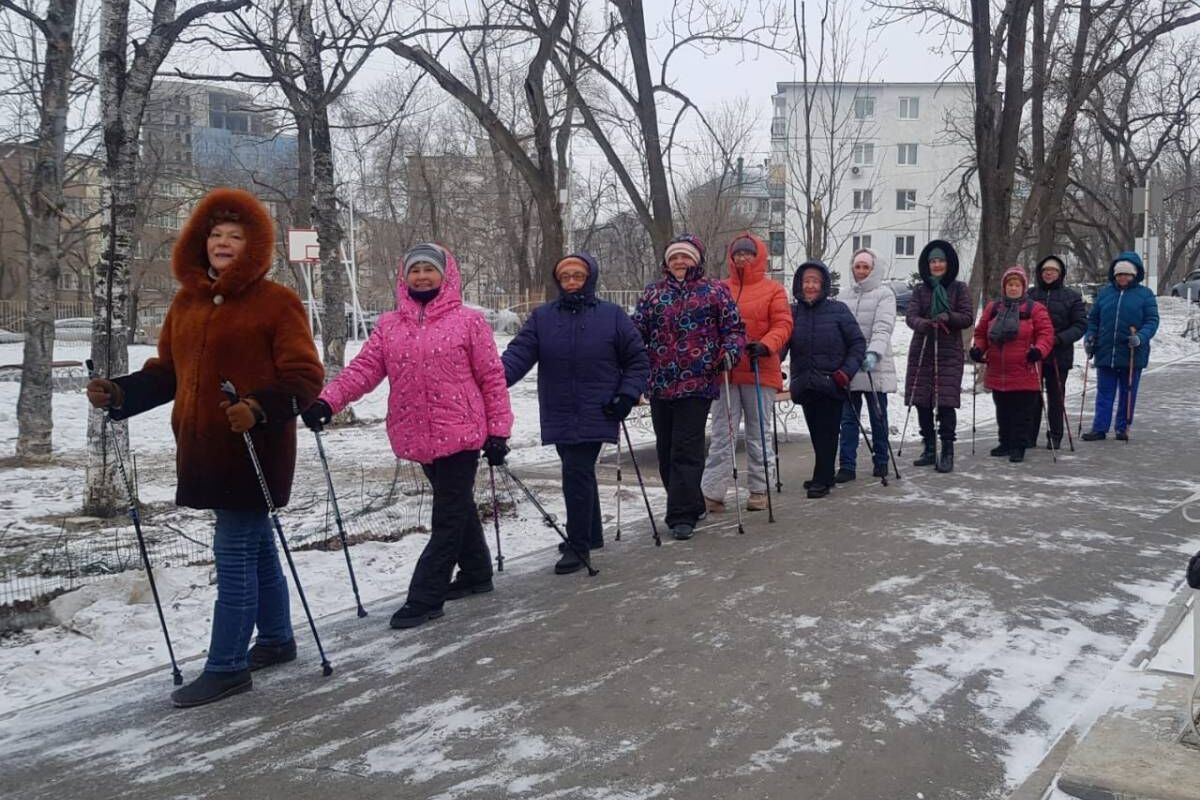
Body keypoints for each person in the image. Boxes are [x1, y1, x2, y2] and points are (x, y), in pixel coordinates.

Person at [85, 188, 324, 708]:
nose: (223, 243)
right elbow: (168, 373)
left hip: (253, 450)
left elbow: (306, 377)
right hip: (200, 448)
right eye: (215, 234)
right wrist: (122, 392)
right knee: (256, 545)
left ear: (253, 247)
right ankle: (278, 640)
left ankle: (227, 666)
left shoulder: (277, 302)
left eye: (235, 236)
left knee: (234, 553)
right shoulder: (186, 303)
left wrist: (258, 407)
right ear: (199, 241)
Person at [302, 243, 513, 628]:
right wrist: (327, 403)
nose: (421, 276)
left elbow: (491, 378)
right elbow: (363, 370)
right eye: (414, 270)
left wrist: (498, 431)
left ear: (446, 276)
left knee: (447, 516)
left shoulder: (469, 322)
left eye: (429, 270)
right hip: (417, 433)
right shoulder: (389, 326)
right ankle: (477, 574)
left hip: (462, 432)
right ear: (404, 277)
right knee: (458, 505)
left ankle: (426, 596)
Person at [501, 252, 649, 574]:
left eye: (577, 276)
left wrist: (626, 395)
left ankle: (578, 545)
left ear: (590, 278)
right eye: (565, 276)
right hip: (558, 407)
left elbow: (638, 360)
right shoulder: (543, 318)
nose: (571, 282)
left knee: (576, 470)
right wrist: (491, 379)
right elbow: (517, 356)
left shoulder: (612, 316)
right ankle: (592, 534)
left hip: (599, 407)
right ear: (558, 281)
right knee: (576, 466)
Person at [632, 233, 745, 540]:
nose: (679, 262)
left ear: (696, 259)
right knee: (666, 449)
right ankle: (691, 502)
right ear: (667, 262)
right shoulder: (653, 293)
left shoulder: (714, 291)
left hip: (698, 381)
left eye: (685, 256)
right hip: (660, 382)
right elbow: (636, 333)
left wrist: (729, 352)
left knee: (686, 448)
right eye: (674, 257)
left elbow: (734, 329)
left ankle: (681, 515)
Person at [701, 233, 792, 513]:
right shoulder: (719, 288)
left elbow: (783, 323)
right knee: (722, 434)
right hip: (726, 373)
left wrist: (766, 345)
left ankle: (760, 488)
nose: (743, 257)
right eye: (738, 253)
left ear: (758, 256)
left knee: (758, 433)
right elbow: (708, 326)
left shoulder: (773, 289)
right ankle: (713, 491)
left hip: (758, 369)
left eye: (748, 253)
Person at [787, 260, 866, 498]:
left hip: (832, 381)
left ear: (823, 285)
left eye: (815, 281)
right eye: (806, 281)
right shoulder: (793, 312)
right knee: (815, 431)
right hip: (805, 381)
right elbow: (782, 343)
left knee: (829, 431)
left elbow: (858, 343)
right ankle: (824, 473)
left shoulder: (838, 310)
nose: (810, 286)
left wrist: (845, 373)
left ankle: (822, 479)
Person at [969, 267, 1055, 463]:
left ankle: (1019, 445)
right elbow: (981, 333)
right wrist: (978, 349)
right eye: (1010, 285)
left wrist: (1039, 350)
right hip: (999, 370)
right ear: (1004, 287)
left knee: (1022, 412)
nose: (1013, 288)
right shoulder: (993, 308)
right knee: (1003, 409)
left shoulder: (1035, 309)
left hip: (1025, 368)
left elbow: (1046, 334)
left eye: (1017, 285)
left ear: (1023, 287)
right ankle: (1005, 442)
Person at [904, 239, 974, 473]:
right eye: (933, 261)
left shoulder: (959, 288)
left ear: (948, 263)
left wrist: (948, 317)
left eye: (940, 261)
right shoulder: (920, 289)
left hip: (948, 352)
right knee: (922, 401)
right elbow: (911, 316)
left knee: (945, 402)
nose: (936, 265)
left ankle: (948, 450)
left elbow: (966, 317)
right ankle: (929, 447)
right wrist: (924, 323)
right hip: (922, 350)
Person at [1081, 251, 1160, 441]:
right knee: (1104, 392)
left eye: (1126, 274)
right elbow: (1093, 320)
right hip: (1106, 351)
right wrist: (1090, 337)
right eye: (1119, 274)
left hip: (1132, 352)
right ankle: (1099, 428)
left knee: (1128, 392)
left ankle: (1122, 427)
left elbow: (1152, 320)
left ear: (1134, 275)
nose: (1122, 277)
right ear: (1114, 275)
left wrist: (1140, 337)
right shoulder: (1105, 294)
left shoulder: (1145, 295)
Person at [837, 248, 897, 482]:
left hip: (874, 364)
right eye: (857, 266)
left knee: (878, 416)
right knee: (848, 417)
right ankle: (847, 464)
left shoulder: (884, 294)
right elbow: (839, 329)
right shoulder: (843, 296)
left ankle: (881, 460)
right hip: (850, 365)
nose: (861, 271)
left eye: (865, 267)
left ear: (873, 269)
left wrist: (873, 353)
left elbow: (883, 327)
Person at [1027, 255, 1087, 449]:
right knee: (1033, 396)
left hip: (1058, 354)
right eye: (1045, 271)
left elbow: (1080, 325)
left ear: (1060, 274)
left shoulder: (1072, 297)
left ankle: (1055, 435)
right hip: (1035, 354)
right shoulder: (1031, 295)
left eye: (1053, 271)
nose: (1049, 274)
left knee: (1056, 397)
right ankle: (1029, 435)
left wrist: (1060, 338)